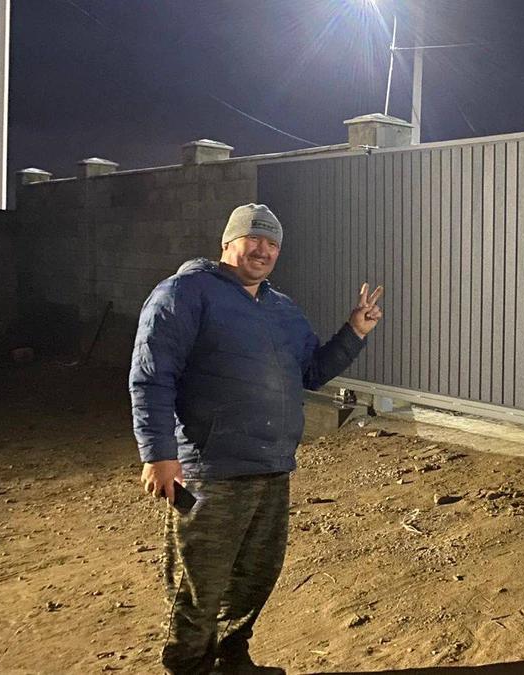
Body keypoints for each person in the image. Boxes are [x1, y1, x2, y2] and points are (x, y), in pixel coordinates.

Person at [129, 203, 383, 674]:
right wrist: (159, 454)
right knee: (199, 583)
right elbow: (152, 376)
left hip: (271, 467)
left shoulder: (282, 309)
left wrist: (353, 332)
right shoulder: (185, 293)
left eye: (272, 243)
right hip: (210, 471)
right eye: (254, 239)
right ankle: (189, 667)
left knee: (255, 576)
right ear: (228, 243)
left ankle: (232, 660)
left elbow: (310, 371)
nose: (263, 250)